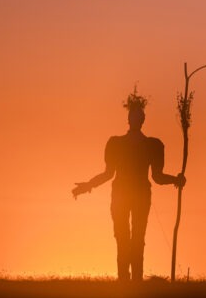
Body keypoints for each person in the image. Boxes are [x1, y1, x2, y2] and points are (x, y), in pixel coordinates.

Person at [72, 89, 185, 281]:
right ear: (130, 118)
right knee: (123, 237)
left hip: (138, 195)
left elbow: (157, 177)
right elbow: (108, 173)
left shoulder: (153, 145)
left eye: (138, 115)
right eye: (134, 115)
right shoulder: (116, 144)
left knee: (137, 238)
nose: (135, 118)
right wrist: (88, 185)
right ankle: (125, 281)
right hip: (121, 195)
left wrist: (176, 179)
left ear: (141, 119)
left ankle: (136, 281)